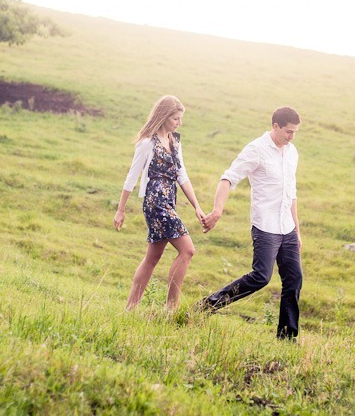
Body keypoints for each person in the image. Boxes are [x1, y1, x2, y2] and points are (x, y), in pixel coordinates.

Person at [198, 106, 303, 339]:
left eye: (295, 132)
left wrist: (297, 230)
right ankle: (207, 305)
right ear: (275, 126)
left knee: (294, 279)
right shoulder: (256, 150)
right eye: (288, 131)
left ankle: (287, 337)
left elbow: (291, 193)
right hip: (265, 225)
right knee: (261, 277)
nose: (292, 136)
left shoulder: (292, 152)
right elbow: (228, 178)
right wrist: (217, 210)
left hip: (286, 227)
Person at [114, 95, 205, 311]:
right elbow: (132, 176)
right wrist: (120, 210)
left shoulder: (175, 141)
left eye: (180, 119)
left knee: (152, 258)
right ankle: (170, 309)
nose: (179, 123)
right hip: (156, 203)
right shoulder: (147, 143)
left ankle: (129, 310)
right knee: (187, 250)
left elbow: (182, 175)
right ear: (164, 116)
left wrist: (197, 207)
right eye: (175, 118)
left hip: (169, 201)